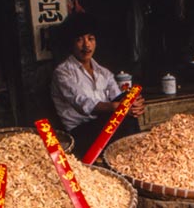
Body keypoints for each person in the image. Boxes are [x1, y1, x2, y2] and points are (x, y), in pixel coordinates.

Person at [50, 12, 145, 156]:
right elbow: (83, 104)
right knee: (124, 112)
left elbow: (118, 97)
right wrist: (117, 107)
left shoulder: (103, 72)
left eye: (91, 38)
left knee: (128, 97)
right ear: (71, 44)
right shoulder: (63, 72)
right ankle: (136, 154)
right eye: (79, 40)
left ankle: (135, 154)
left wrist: (135, 104)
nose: (86, 45)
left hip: (104, 126)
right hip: (81, 132)